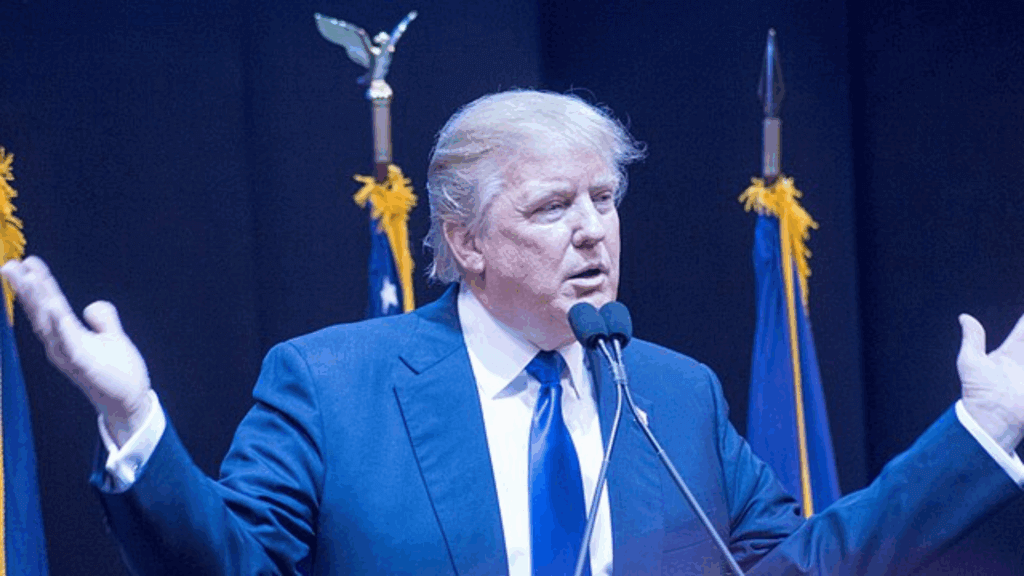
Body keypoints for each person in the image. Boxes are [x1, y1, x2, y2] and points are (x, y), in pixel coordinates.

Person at [3, 90, 1023, 576]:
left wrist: (977, 435)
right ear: (465, 239)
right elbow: (228, 568)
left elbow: (802, 568)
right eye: (550, 208)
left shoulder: (671, 394)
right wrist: (135, 419)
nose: (592, 229)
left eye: (604, 199)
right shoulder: (330, 386)